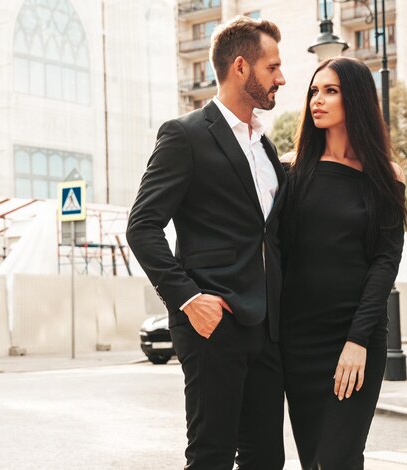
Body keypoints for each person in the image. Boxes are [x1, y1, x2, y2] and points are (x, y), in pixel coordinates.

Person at [127, 16, 287, 470]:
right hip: (213, 326)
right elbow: (142, 226)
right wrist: (189, 299)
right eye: (272, 67)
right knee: (211, 457)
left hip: (266, 327)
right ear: (241, 67)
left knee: (266, 460)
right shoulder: (185, 135)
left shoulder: (265, 148)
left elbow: (264, 226)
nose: (281, 77)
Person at [279, 57, 407, 470]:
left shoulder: (386, 174)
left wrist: (357, 340)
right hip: (299, 339)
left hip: (357, 336)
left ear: (355, 99)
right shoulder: (291, 171)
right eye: (314, 91)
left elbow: (386, 262)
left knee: (340, 458)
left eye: (330, 91)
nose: (317, 100)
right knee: (314, 460)